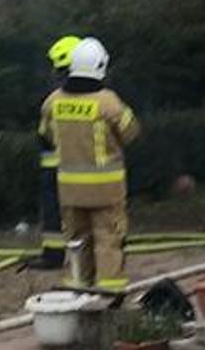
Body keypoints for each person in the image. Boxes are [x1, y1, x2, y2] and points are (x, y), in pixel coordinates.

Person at [38, 37, 140, 293]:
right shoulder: (109, 102)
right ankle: (109, 292)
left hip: (69, 190)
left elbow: (46, 134)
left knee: (76, 240)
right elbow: (131, 132)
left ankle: (78, 286)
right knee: (108, 239)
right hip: (107, 190)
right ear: (100, 66)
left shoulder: (52, 102)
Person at [29, 35, 83, 270]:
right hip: (89, 165)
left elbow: (44, 132)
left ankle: (53, 255)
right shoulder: (99, 94)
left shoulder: (54, 97)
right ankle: (89, 254)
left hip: (55, 165)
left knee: (53, 209)